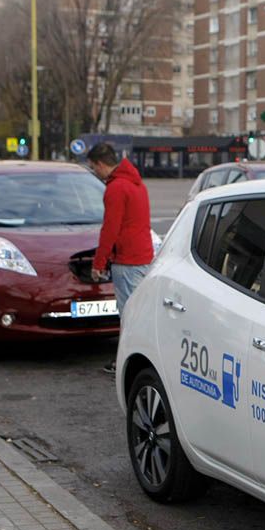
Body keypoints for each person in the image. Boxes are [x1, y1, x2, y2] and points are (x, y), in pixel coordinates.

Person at [88, 143, 154, 374]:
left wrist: (98, 263)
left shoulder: (116, 188)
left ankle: (127, 363)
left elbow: (110, 229)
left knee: (129, 315)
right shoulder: (137, 184)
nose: (94, 172)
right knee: (140, 312)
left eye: (93, 167)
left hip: (127, 260)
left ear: (101, 164)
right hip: (143, 256)